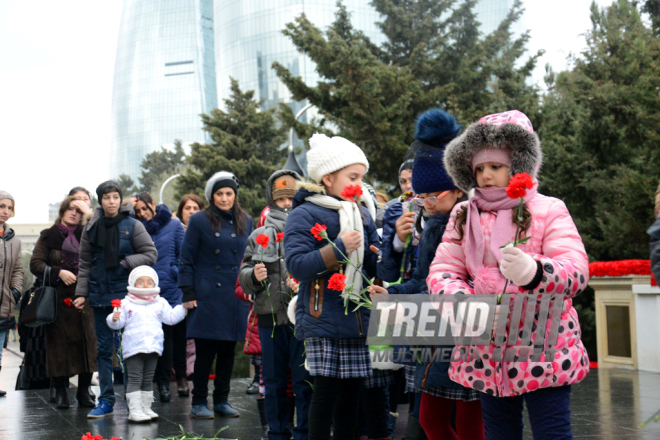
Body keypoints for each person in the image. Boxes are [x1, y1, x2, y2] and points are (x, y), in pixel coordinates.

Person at [429, 110, 590, 440]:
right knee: (499, 432)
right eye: (480, 168)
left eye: (496, 167)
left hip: (543, 344)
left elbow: (576, 270)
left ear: (517, 166)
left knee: (552, 432)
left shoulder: (547, 209)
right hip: (487, 348)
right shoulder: (464, 213)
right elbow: (444, 270)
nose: (486, 176)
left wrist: (535, 272)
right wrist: (466, 305)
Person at [371, 109, 483, 440]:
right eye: (421, 196)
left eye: (432, 194)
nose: (425, 202)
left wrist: (404, 299)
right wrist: (392, 294)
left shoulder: (471, 224)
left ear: (458, 189)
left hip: (464, 334)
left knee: (464, 422)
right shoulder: (434, 224)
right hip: (434, 333)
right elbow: (425, 280)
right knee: (430, 419)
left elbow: (458, 286)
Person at [284, 134, 381, 440]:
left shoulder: (362, 212)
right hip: (322, 314)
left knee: (352, 395)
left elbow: (373, 267)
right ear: (328, 178)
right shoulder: (304, 213)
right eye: (352, 177)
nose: (359, 185)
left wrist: (387, 249)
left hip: (356, 315)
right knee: (324, 393)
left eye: (362, 178)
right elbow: (297, 265)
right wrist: (338, 247)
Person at [74, 181, 158, 419]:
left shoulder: (133, 225)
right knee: (103, 350)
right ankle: (106, 400)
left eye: (115, 197)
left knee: (130, 349)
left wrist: (125, 263)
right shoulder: (92, 227)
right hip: (100, 295)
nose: (111, 201)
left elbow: (151, 254)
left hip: (127, 296)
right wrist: (81, 293)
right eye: (106, 197)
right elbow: (85, 264)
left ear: (121, 200)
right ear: (100, 201)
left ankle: (135, 401)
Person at [240, 169, 312, 440]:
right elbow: (244, 273)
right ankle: (278, 432)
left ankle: (304, 431)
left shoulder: (311, 230)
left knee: (304, 381)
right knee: (273, 381)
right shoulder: (259, 233)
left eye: (292, 198)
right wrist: (253, 278)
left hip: (302, 317)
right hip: (270, 318)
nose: (287, 204)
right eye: (281, 199)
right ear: (272, 200)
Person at [179, 171, 253, 419]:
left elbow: (249, 258)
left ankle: (221, 400)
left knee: (228, 351)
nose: (224, 198)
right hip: (207, 293)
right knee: (205, 351)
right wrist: (187, 292)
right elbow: (186, 259)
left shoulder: (246, 220)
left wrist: (251, 285)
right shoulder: (199, 220)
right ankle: (199, 401)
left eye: (229, 193)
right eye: (219, 194)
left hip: (234, 292)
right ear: (212, 196)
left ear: (235, 195)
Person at [30, 196, 97, 409]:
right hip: (58, 299)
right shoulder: (49, 235)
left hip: (85, 297)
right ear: (62, 211)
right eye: (70, 209)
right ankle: (60, 391)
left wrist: (84, 290)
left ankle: (84, 391)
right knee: (59, 347)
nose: (73, 213)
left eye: (78, 211)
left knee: (88, 344)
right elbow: (35, 264)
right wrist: (59, 272)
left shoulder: (89, 234)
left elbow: (97, 260)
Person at [107, 266, 186, 422]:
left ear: (155, 283)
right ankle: (135, 410)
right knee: (135, 378)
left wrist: (183, 308)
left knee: (148, 378)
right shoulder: (126, 303)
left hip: (153, 347)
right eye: (140, 282)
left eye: (149, 282)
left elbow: (170, 318)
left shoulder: (160, 302)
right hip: (134, 348)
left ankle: (145, 408)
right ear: (133, 283)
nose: (145, 285)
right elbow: (118, 324)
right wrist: (113, 318)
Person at [134, 192, 188, 401]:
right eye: (138, 211)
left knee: (179, 337)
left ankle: (182, 378)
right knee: (160, 338)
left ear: (153, 205)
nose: (142, 214)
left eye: (145, 209)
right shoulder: (136, 228)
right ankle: (163, 383)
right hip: (148, 292)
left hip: (173, 288)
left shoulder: (173, 225)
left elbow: (183, 254)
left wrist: (174, 271)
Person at [0, 191, 22, 398]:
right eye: (2, 206)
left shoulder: (14, 241)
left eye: (9, 207)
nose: (5, 211)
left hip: (4, 304)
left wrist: (15, 292)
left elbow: (18, 270)